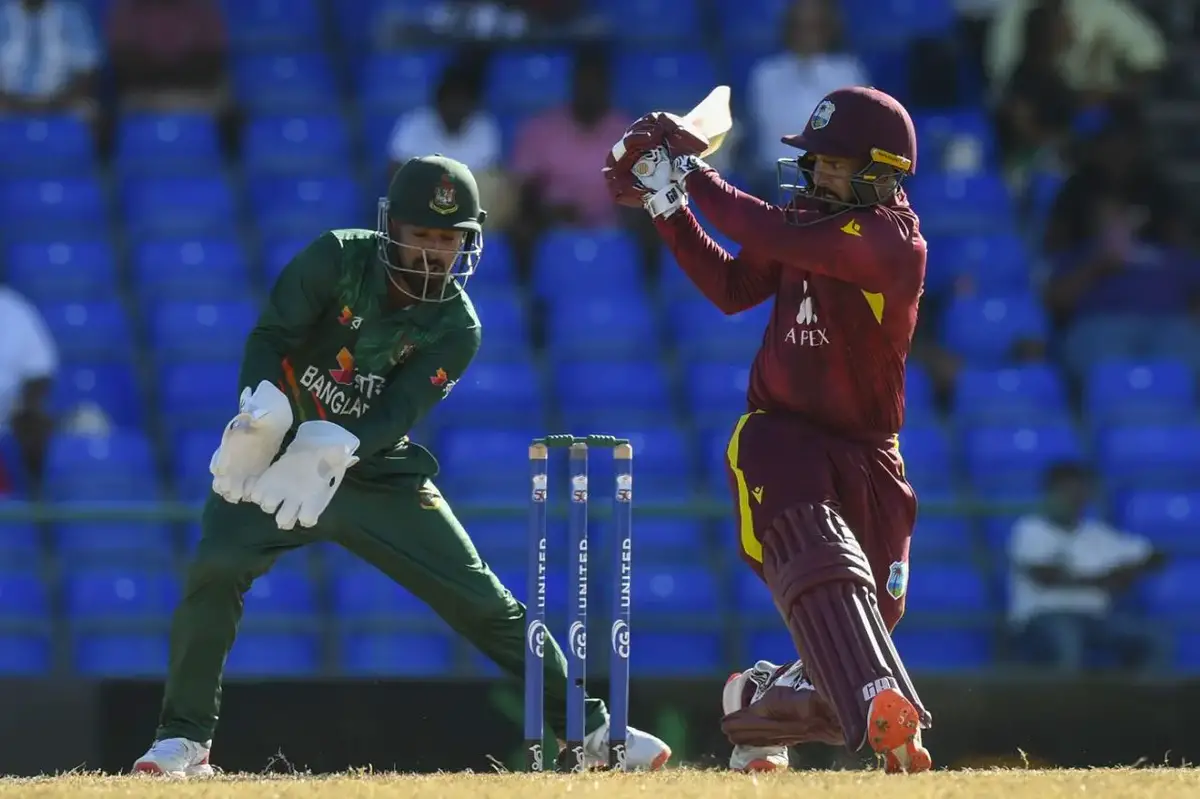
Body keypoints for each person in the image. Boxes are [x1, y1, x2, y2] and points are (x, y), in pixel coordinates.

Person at [132, 155, 670, 777]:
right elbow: (268, 338)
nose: (434, 253)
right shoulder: (336, 258)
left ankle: (595, 731)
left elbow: (398, 411)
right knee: (216, 566)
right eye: (422, 236)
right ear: (393, 229)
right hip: (275, 457)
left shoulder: (456, 327)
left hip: (375, 473)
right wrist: (261, 413)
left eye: (449, 240)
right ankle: (184, 739)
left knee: (485, 602)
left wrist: (336, 446)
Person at [603, 86, 931, 774]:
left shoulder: (891, 243)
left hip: (870, 453)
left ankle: (755, 702)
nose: (820, 174)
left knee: (867, 621)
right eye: (817, 161)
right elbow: (731, 288)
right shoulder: (809, 218)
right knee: (823, 556)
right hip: (780, 436)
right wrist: (669, 205)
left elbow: (767, 234)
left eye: (836, 164)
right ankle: (876, 694)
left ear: (882, 170)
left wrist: (687, 172)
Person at [1008, 461, 1167, 674]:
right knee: (1067, 641)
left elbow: (1156, 556)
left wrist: (1127, 572)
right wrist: (1103, 580)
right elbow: (1045, 576)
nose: (1072, 498)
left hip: (1095, 619)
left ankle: (1142, 705)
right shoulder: (1030, 529)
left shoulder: (1098, 534)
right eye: (1065, 491)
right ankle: (1061, 706)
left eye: (1078, 491)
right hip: (1043, 617)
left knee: (1153, 638)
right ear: (1048, 493)